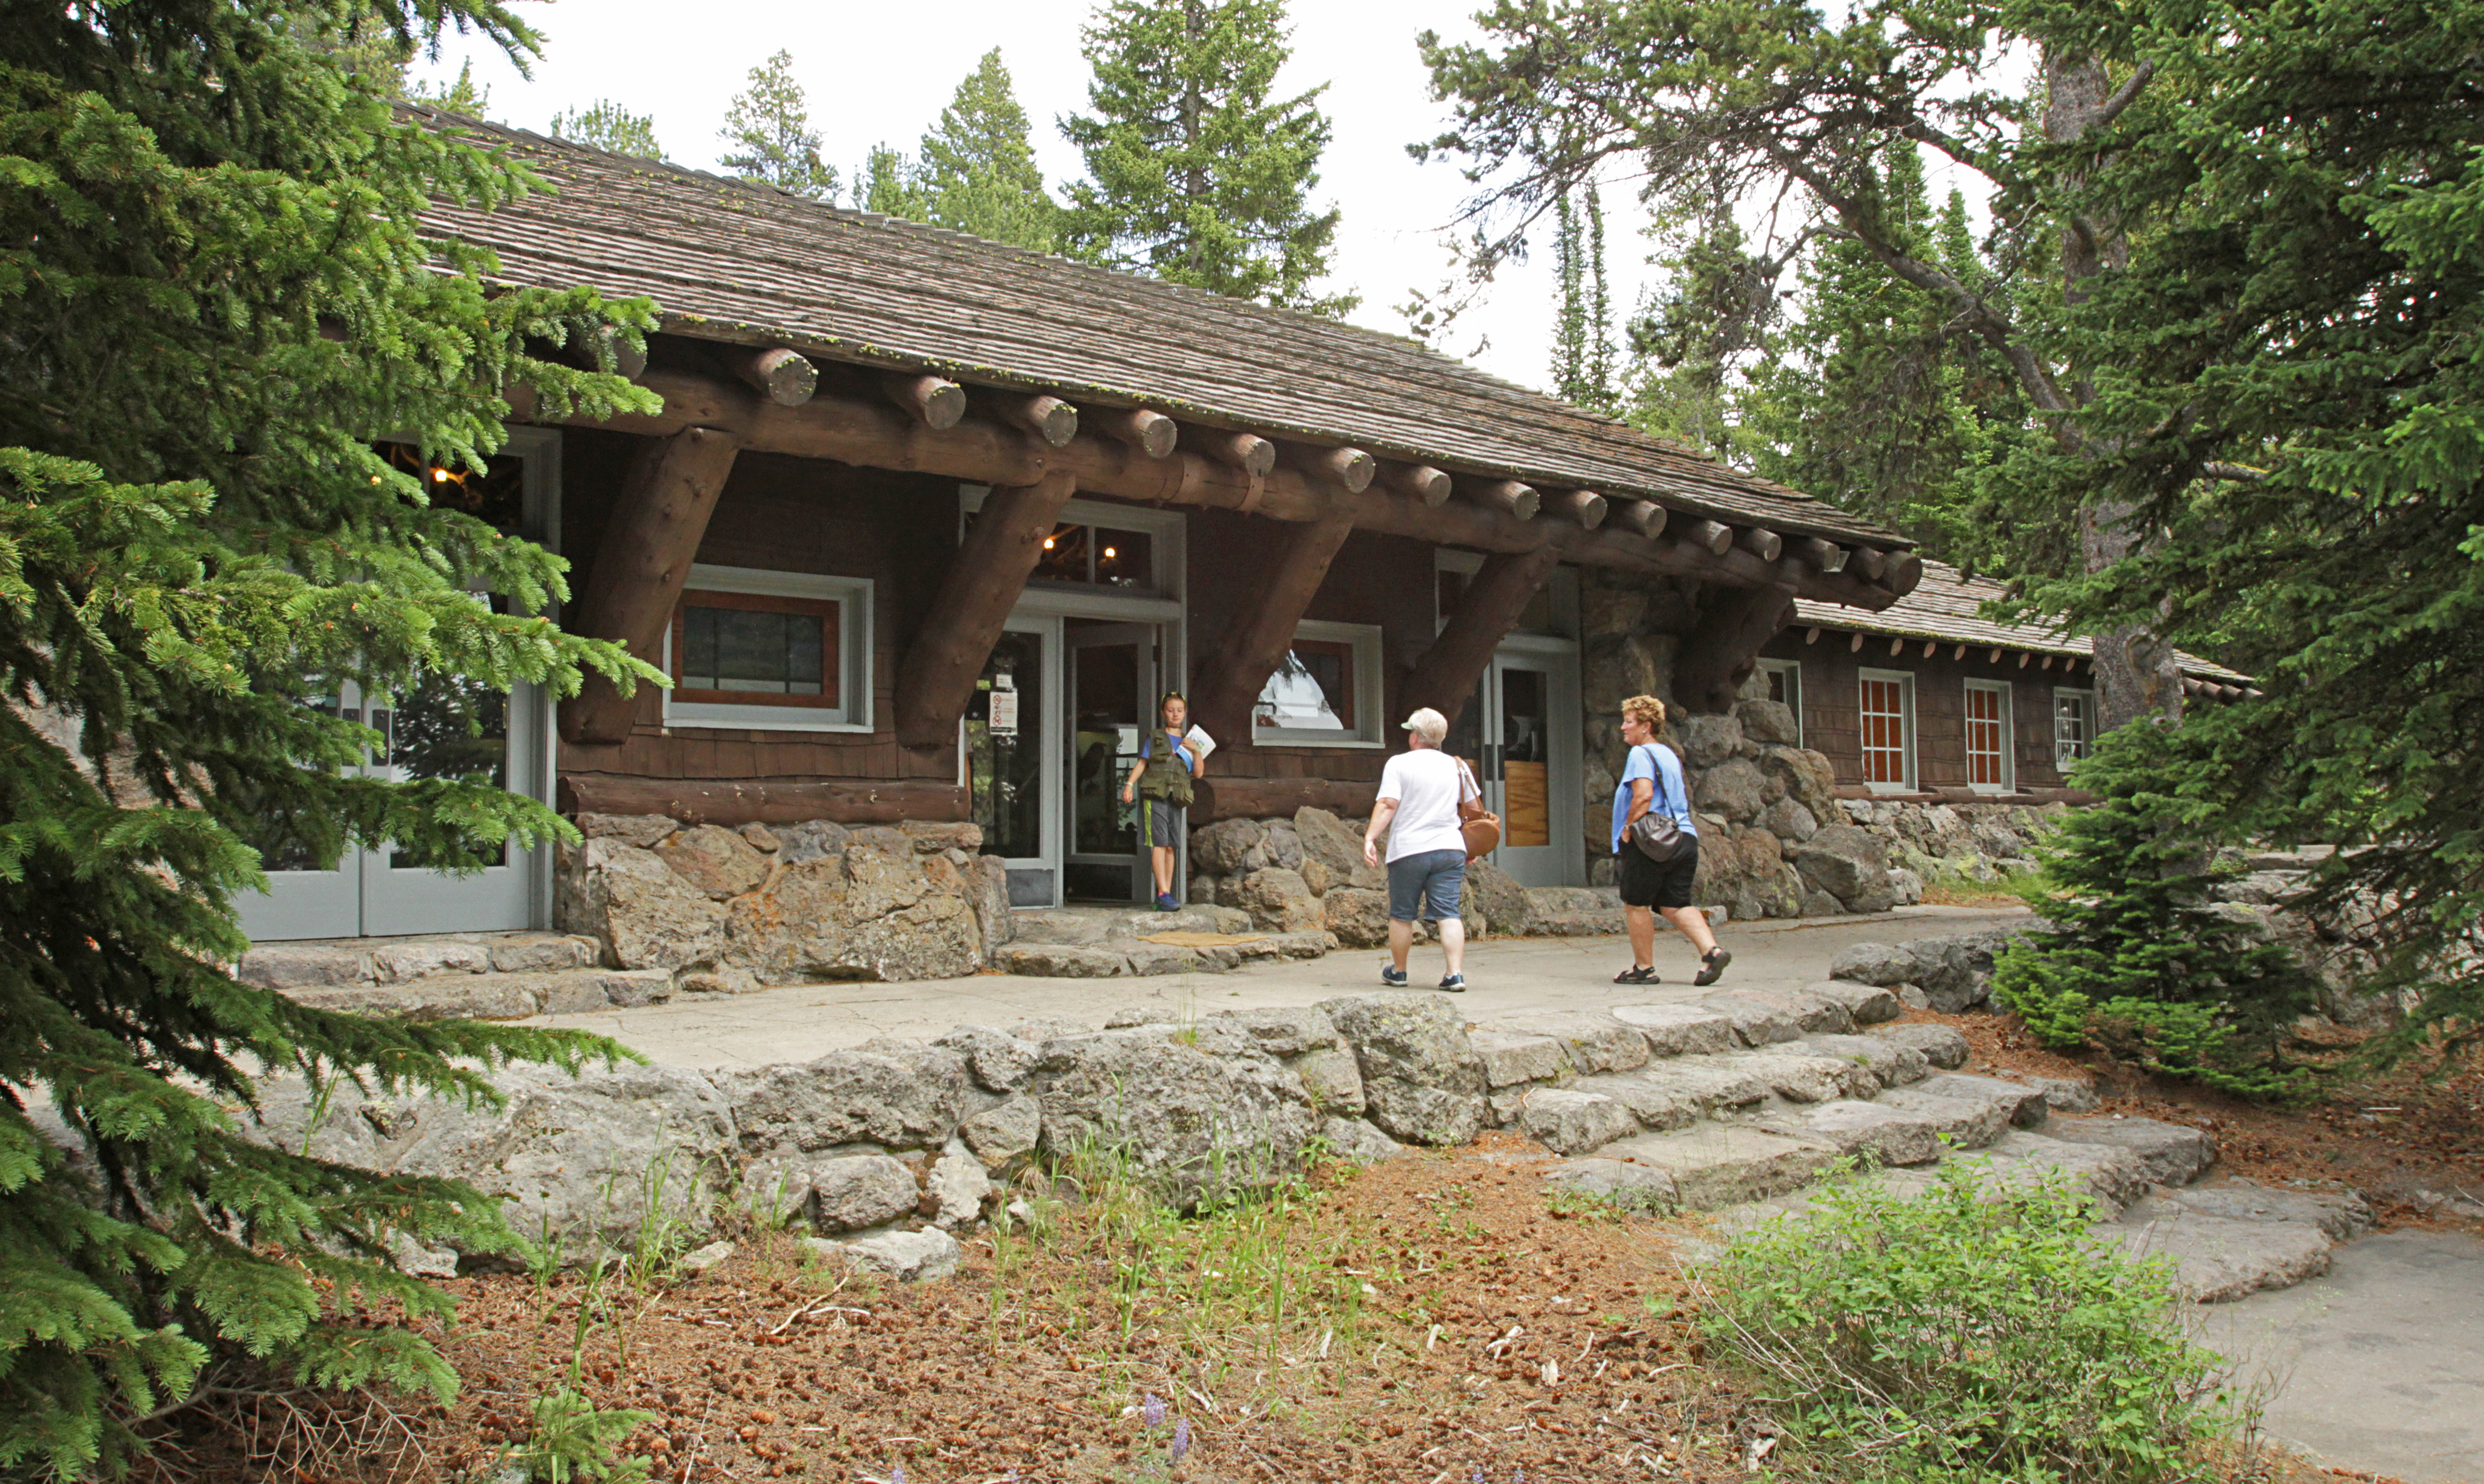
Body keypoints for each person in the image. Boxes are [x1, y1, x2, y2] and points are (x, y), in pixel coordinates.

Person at [1610, 693, 1730, 986]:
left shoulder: (1640, 754)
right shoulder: (1668, 754)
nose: (1623, 728)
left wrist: (1628, 828)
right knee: (1674, 904)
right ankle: (1712, 952)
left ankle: (1644, 969)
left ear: (1646, 726)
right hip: (1684, 837)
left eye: (1629, 722)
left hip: (1652, 841)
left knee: (1636, 903)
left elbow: (1644, 795)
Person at [1362, 706, 1482, 991]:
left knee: (1402, 914)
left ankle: (1399, 972)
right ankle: (1455, 975)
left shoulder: (1399, 764)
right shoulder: (1458, 766)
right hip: (1450, 849)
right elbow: (1475, 808)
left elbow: (1388, 804)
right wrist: (1472, 845)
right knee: (1449, 912)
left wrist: (1370, 838)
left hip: (1410, 850)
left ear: (1416, 737)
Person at [1120, 690, 1200, 911]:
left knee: (1172, 847)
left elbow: (1199, 773)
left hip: (1177, 798)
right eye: (1171, 710)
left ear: (1184, 714)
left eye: (1180, 711)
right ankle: (1163, 892)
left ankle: (1167, 894)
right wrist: (1129, 784)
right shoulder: (1155, 738)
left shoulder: (1190, 742)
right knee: (1159, 842)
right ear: (1164, 712)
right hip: (1156, 797)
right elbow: (1142, 763)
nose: (1175, 714)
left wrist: (1197, 752)